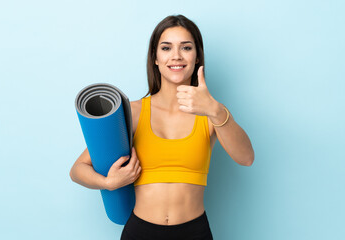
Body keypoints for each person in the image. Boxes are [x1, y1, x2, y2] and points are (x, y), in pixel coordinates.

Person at [70, 14, 254, 240]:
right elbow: (77, 170)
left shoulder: (211, 112)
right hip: (140, 232)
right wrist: (109, 183)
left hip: (194, 233)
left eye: (186, 48)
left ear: (197, 57)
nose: (176, 56)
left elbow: (246, 158)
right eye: (166, 48)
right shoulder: (133, 112)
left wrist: (216, 111)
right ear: (155, 58)